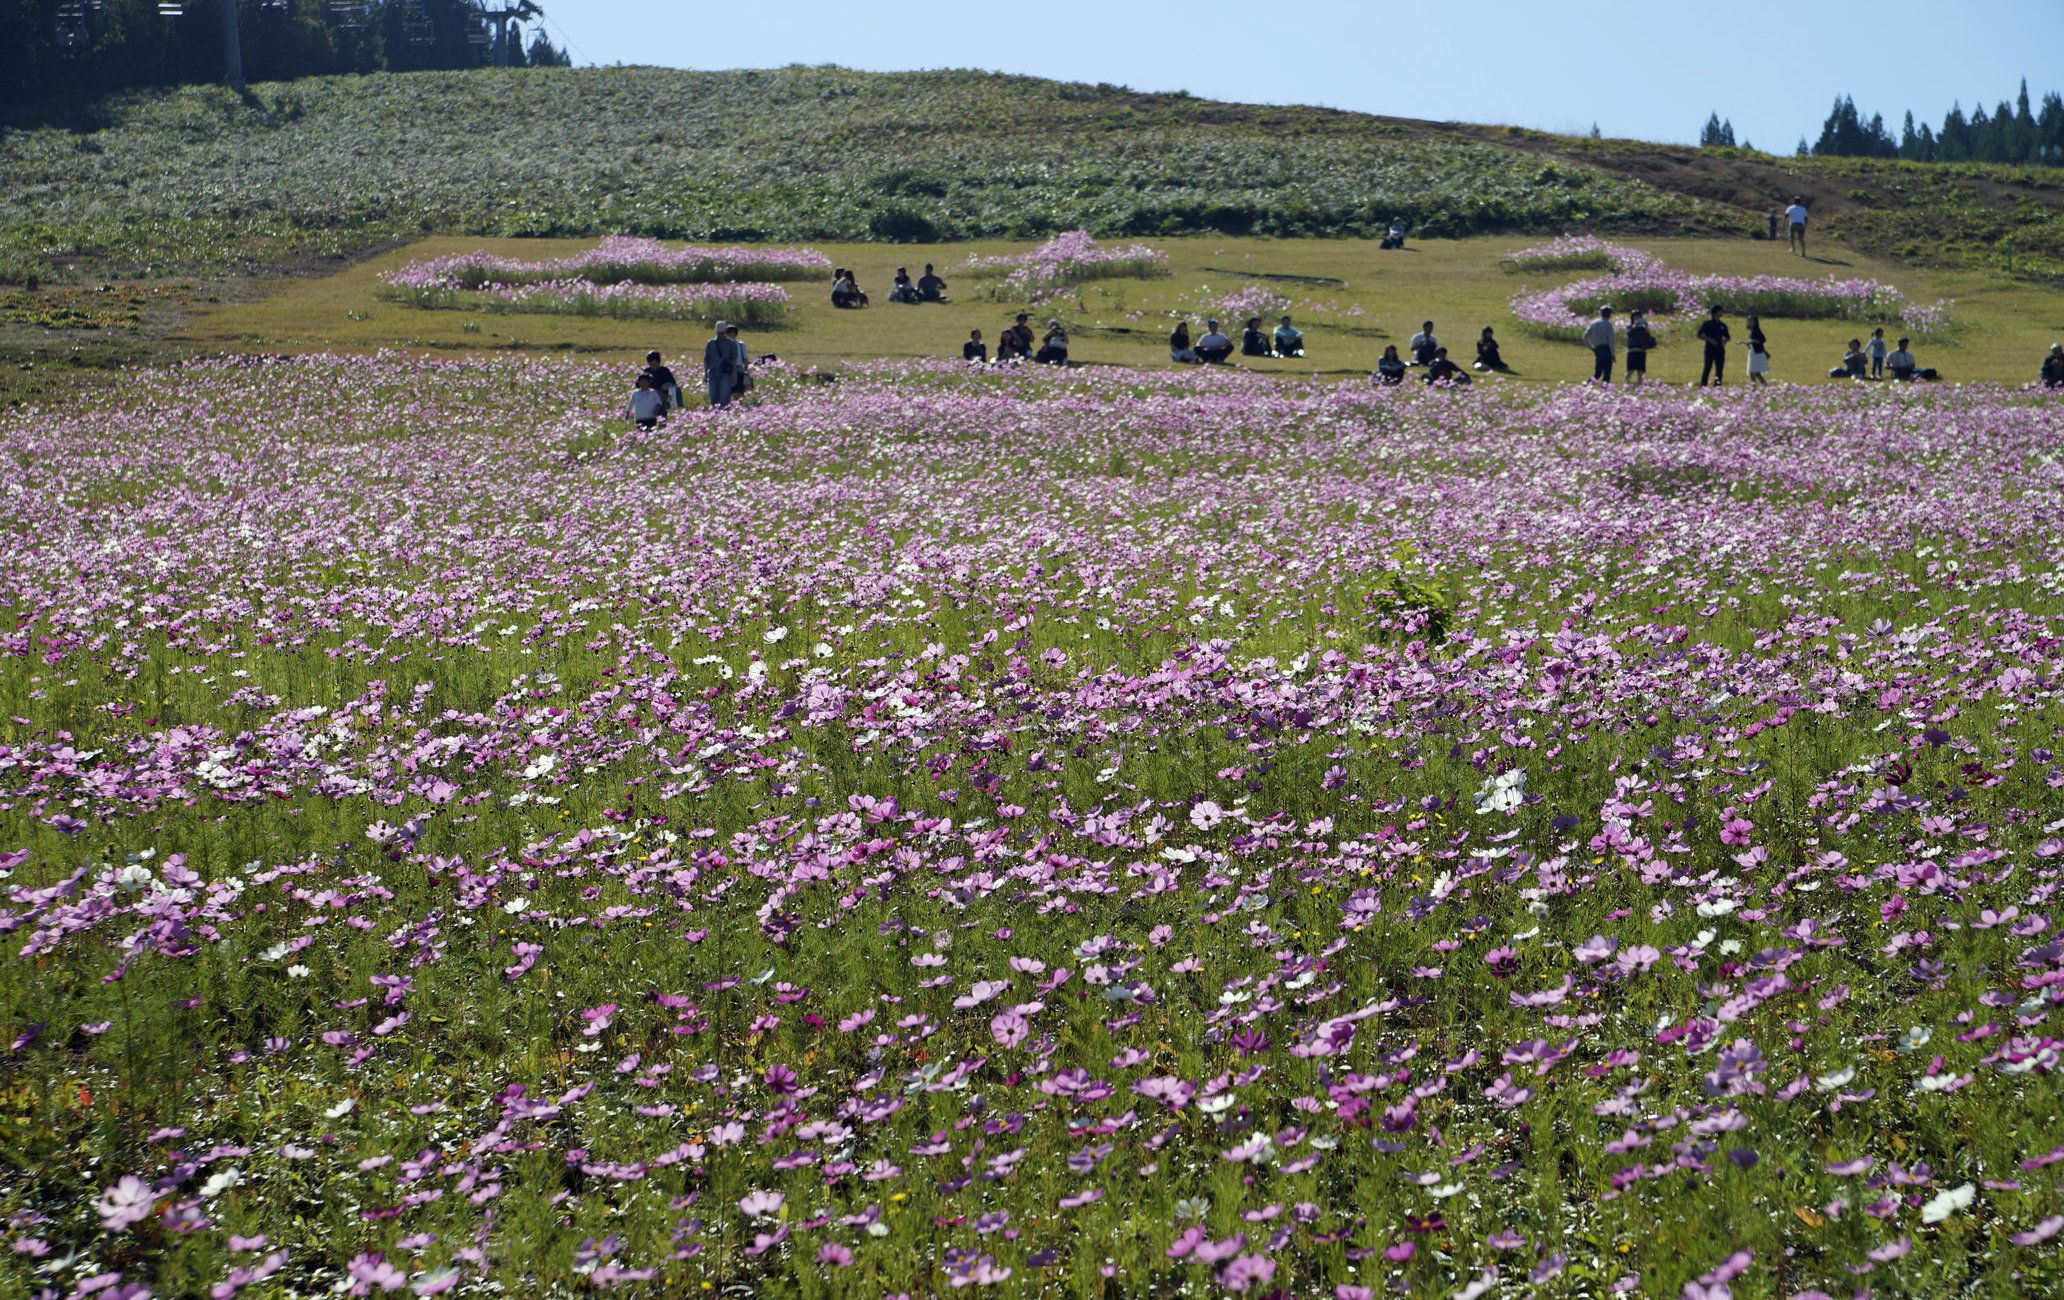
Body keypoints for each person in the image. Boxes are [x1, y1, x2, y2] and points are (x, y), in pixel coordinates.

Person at [703, 319, 743, 408]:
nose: (720, 335)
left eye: (722, 332)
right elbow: (706, 359)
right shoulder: (711, 343)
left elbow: (734, 359)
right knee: (713, 397)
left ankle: (724, 412)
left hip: (725, 373)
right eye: (718, 333)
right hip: (713, 372)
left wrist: (733, 373)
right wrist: (705, 373)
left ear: (725, 331)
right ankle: (715, 414)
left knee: (724, 396)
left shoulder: (731, 344)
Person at [1696, 305, 1731, 387]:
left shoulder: (1722, 325)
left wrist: (1724, 341)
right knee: (1707, 368)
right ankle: (1703, 386)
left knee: (1719, 370)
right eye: (1720, 311)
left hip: (1720, 350)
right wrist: (1709, 340)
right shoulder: (1707, 324)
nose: (1721, 313)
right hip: (1709, 349)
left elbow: (1728, 337)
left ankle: (1717, 386)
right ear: (1715, 312)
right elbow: (1699, 335)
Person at [1582, 306, 1616, 384]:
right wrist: (1613, 354)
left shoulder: (1594, 323)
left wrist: (1591, 347)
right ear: (1608, 315)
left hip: (1598, 348)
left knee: (1598, 371)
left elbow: (1585, 336)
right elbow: (1611, 340)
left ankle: (1588, 383)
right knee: (1607, 372)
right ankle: (1604, 388)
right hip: (1606, 349)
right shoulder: (1608, 325)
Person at [1624, 310, 1656, 387]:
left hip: (1641, 350)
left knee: (1640, 371)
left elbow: (1647, 336)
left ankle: (1639, 385)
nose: (1637, 318)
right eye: (1635, 317)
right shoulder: (1629, 327)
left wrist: (1646, 326)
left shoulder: (1643, 328)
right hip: (1631, 351)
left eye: (1638, 317)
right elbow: (1629, 334)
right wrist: (1634, 325)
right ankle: (1626, 383)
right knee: (1630, 370)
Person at [726, 324, 753, 397]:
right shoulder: (724, 346)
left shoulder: (741, 345)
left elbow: (745, 359)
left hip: (739, 369)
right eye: (729, 334)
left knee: (738, 392)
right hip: (728, 370)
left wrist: (746, 371)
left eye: (732, 334)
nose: (731, 336)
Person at [1744, 316, 1771, 386]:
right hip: (1753, 353)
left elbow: (1762, 340)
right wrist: (1749, 344)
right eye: (1748, 321)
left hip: (1758, 354)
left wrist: (1752, 341)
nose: (1749, 322)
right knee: (1755, 373)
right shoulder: (1751, 332)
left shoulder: (1757, 331)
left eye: (1751, 321)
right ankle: (1764, 387)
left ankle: (1754, 388)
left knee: (1753, 372)